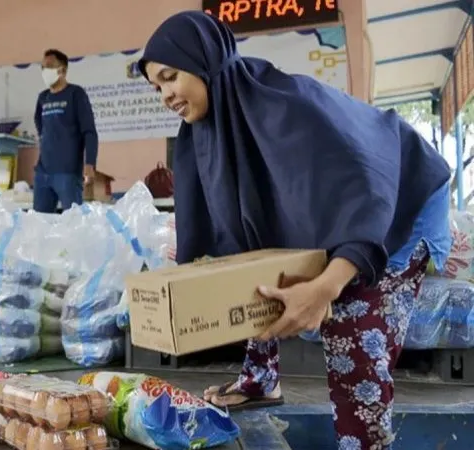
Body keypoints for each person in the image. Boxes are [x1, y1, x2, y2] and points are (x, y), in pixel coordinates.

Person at [139, 11, 452, 449]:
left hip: (399, 200)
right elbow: (242, 248)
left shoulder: (288, 107)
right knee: (259, 275)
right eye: (157, 87)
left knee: (350, 319)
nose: (165, 95)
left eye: (170, 77)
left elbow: (364, 193)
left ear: (204, 59)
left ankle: (364, 441)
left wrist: (326, 286)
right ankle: (260, 381)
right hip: (354, 205)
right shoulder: (206, 136)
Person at [33, 48, 98, 213]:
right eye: (42, 67)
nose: (44, 71)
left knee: (74, 223)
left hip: (68, 173)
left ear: (62, 70)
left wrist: (89, 164)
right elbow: (40, 126)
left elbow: (89, 132)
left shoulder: (76, 94)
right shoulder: (43, 98)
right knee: (40, 225)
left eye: (48, 66)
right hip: (43, 173)